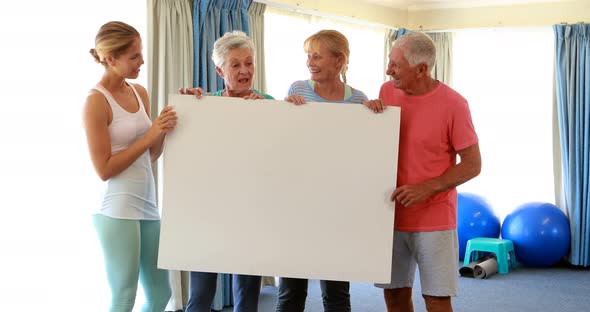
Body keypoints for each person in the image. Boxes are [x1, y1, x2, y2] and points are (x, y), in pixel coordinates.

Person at [364, 31, 481, 312]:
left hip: (434, 219)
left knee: (437, 300)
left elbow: (472, 164)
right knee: (395, 296)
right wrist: (366, 113)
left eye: (395, 65)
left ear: (421, 69)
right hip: (390, 216)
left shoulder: (454, 104)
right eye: (389, 62)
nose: (388, 70)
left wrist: (426, 188)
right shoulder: (387, 92)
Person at [84, 21, 175, 312]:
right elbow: (104, 169)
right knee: (124, 296)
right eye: (133, 56)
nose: (142, 61)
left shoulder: (139, 92)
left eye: (141, 53)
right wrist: (149, 134)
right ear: (110, 59)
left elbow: (150, 156)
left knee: (161, 294)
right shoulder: (96, 101)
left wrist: (163, 128)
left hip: (147, 205)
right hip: (116, 208)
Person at [275, 29, 368, 312]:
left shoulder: (358, 100)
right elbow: (285, 142)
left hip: (337, 206)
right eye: (308, 56)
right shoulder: (297, 90)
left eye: (317, 56)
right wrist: (287, 112)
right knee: (291, 292)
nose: (310, 62)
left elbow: (364, 151)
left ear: (339, 61)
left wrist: (375, 113)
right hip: (297, 204)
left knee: (337, 292)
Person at [181, 30, 274, 312]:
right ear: (220, 70)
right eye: (236, 65)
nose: (245, 71)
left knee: (247, 297)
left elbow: (279, 159)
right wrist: (186, 105)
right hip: (210, 214)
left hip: (251, 214)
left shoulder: (270, 105)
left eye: (249, 63)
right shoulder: (203, 104)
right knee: (200, 296)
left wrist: (266, 117)